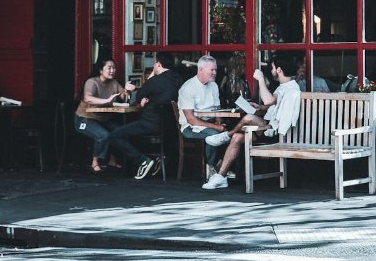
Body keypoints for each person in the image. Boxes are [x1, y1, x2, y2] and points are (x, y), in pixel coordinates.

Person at [209, 55, 303, 190]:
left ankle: (226, 135)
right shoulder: (283, 86)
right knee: (238, 137)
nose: (271, 72)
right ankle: (221, 177)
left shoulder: (291, 88)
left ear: (279, 70)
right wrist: (261, 108)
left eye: (272, 68)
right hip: (265, 128)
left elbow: (269, 101)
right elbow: (272, 104)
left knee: (248, 118)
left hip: (276, 132)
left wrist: (260, 79)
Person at [108, 52, 183, 180]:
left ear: (158, 64)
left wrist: (152, 76)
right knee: (130, 133)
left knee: (114, 135)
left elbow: (138, 97)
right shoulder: (179, 79)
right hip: (172, 126)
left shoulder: (154, 81)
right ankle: (152, 161)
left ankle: (143, 160)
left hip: (151, 124)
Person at [175, 55, 232, 189]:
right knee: (214, 134)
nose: (214, 73)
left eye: (215, 70)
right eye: (211, 70)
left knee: (233, 132)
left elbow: (217, 109)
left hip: (209, 122)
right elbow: (191, 119)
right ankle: (211, 169)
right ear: (200, 70)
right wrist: (217, 128)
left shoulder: (214, 85)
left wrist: (220, 123)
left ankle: (221, 166)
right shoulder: (188, 88)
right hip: (189, 128)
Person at [73, 59, 135, 173]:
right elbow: (88, 98)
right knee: (103, 135)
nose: (112, 70)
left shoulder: (114, 83)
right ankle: (95, 162)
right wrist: (107, 100)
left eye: (114, 68)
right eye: (109, 68)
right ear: (101, 70)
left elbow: (124, 97)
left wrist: (127, 90)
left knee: (121, 132)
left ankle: (112, 159)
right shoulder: (92, 82)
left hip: (103, 119)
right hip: (84, 119)